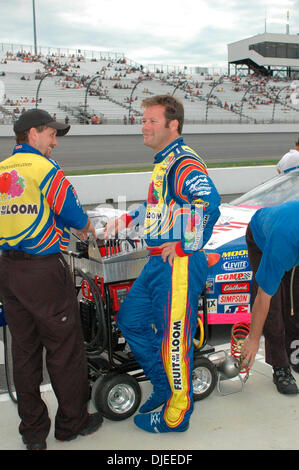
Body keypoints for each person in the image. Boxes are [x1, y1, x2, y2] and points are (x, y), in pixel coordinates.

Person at [105, 95, 220, 433]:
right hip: (157, 265)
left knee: (173, 341)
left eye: (152, 120)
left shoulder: (183, 162)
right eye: (144, 119)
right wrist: (128, 216)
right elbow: (157, 203)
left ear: (174, 125)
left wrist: (185, 244)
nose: (144, 126)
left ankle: (176, 416)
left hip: (178, 266)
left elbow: (209, 204)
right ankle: (164, 385)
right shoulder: (164, 162)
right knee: (130, 319)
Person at [0, 109, 103, 450]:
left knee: (25, 352)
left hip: (8, 272)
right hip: (43, 270)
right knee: (64, 349)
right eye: (51, 134)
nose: (54, 142)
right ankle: (71, 424)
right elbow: (76, 218)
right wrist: (96, 228)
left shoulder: (2, 170)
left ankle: (33, 435)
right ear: (32, 134)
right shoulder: (46, 170)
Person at [242, 201, 299, 394]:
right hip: (262, 237)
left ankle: (295, 352)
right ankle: (280, 367)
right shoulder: (282, 246)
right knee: (273, 308)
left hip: (287, 229)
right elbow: (263, 298)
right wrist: (253, 339)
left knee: (295, 300)